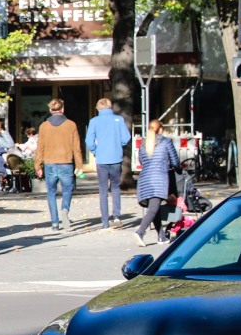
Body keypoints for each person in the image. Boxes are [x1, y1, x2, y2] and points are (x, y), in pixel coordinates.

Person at [34, 97, 84, 232]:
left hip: (50, 163)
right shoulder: (71, 125)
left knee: (51, 193)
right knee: (67, 190)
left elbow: (40, 147)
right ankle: (65, 209)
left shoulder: (44, 126)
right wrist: (79, 166)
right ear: (63, 109)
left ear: (50, 110)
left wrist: (37, 165)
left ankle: (54, 222)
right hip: (66, 163)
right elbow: (76, 148)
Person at [85, 97, 131, 229]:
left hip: (102, 159)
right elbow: (126, 138)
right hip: (116, 158)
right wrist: (118, 145)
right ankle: (116, 216)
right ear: (110, 107)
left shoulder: (94, 121)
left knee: (103, 189)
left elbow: (89, 141)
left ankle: (104, 221)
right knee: (115, 187)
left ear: (98, 108)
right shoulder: (118, 120)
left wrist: (95, 151)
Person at [134, 118, 179, 246]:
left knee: (155, 208)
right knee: (153, 208)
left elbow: (142, 162)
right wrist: (178, 169)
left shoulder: (143, 144)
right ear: (160, 129)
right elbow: (175, 161)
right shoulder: (165, 142)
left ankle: (161, 236)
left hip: (145, 179)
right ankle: (140, 232)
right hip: (158, 179)